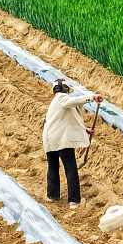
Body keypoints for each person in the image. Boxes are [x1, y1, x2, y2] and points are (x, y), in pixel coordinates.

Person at [42, 79, 103, 208]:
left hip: (50, 139)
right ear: (66, 90)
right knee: (71, 169)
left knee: (53, 167)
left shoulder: (56, 102)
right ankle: (74, 201)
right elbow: (73, 101)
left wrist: (85, 129)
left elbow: (65, 121)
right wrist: (92, 97)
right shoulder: (61, 99)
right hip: (61, 140)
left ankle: (52, 196)